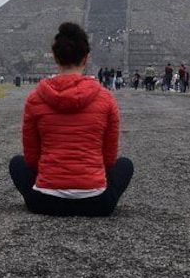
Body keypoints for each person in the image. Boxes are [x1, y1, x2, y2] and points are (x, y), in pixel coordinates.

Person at [9, 22, 134, 216]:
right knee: (125, 164)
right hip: (98, 203)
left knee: (17, 163)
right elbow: (109, 160)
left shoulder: (35, 99)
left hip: (44, 201)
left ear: (55, 56)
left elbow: (32, 160)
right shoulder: (106, 98)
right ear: (86, 58)